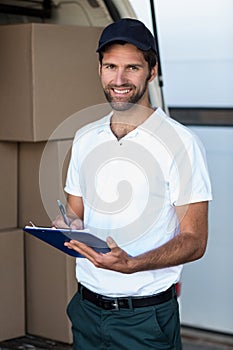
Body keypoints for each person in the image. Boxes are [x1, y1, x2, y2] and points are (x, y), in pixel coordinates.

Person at [53, 18, 212, 350]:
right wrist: (67, 226)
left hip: (144, 319)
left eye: (132, 68)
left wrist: (132, 264)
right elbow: (75, 213)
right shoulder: (85, 138)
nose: (119, 79)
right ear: (99, 69)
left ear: (151, 72)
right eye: (110, 66)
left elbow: (195, 241)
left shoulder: (181, 143)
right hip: (86, 309)